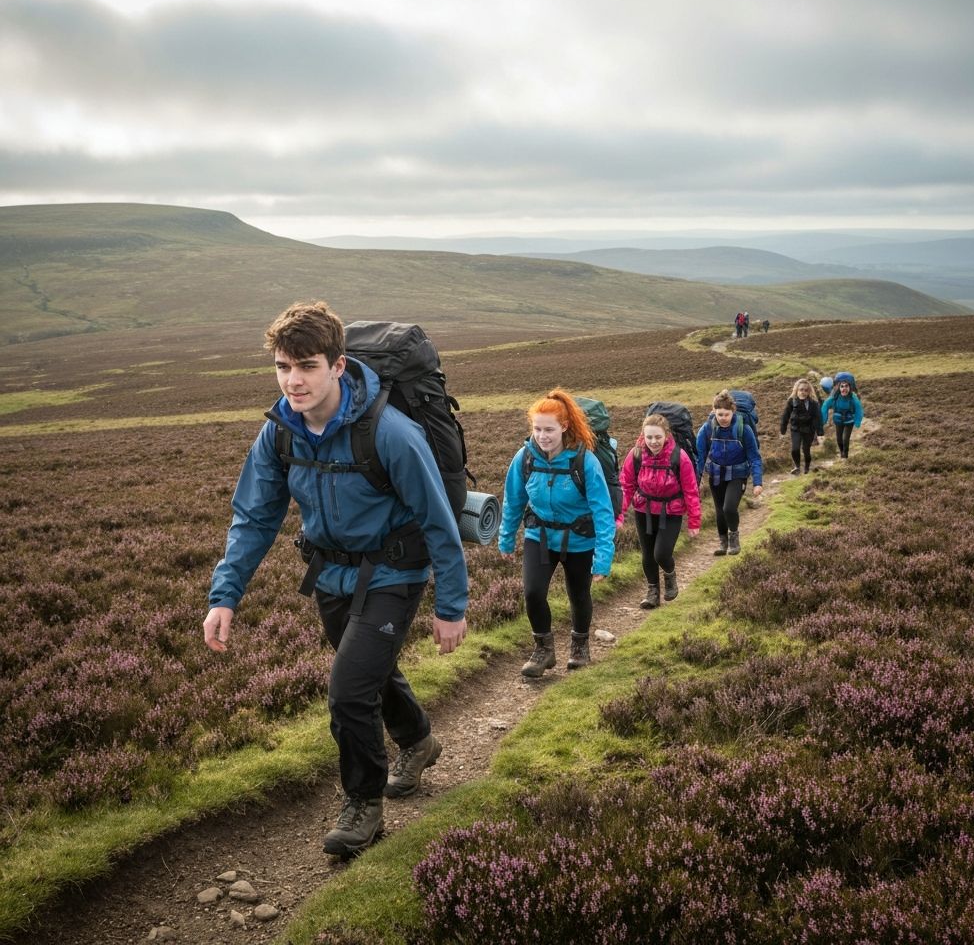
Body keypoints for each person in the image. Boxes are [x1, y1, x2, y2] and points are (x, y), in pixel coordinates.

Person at [203, 301, 469, 859]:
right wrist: (225, 595)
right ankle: (419, 741)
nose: (293, 381)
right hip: (330, 573)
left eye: (307, 366)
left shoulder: (390, 433)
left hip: (396, 571)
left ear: (338, 365)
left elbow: (438, 521)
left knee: (348, 690)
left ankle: (363, 805)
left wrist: (452, 605)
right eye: (283, 367)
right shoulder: (278, 433)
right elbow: (254, 517)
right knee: (371, 673)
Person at [498, 389, 616, 677]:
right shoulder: (524, 458)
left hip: (580, 540)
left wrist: (603, 557)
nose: (542, 436)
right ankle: (543, 650)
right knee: (533, 593)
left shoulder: (584, 461)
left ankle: (580, 647)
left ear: (564, 427)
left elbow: (602, 511)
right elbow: (513, 500)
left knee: (578, 594)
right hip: (539, 537)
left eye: (549, 429)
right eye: (537, 429)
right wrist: (506, 537)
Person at [617, 414, 700, 609]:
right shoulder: (636, 455)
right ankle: (652, 592)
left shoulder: (679, 456)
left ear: (666, 435)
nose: (653, 442)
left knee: (661, 553)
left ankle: (670, 575)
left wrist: (694, 521)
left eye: (658, 437)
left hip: (671, 511)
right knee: (647, 554)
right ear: (643, 436)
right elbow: (626, 485)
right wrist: (619, 514)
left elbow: (691, 490)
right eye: (649, 437)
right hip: (643, 510)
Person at [695, 389, 763, 556]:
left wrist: (757, 482)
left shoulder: (743, 429)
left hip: (738, 474)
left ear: (733, 412)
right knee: (720, 511)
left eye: (726, 414)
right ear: (714, 412)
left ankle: (734, 539)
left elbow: (754, 456)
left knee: (729, 508)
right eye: (719, 414)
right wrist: (695, 482)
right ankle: (723, 543)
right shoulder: (707, 429)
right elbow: (700, 457)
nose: (723, 418)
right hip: (716, 475)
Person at [780, 378, 824, 474]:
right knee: (795, 449)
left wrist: (820, 432)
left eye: (805, 390)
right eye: (801, 390)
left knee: (806, 450)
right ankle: (797, 467)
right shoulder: (792, 401)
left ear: (809, 392)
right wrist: (782, 430)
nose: (803, 392)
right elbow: (785, 416)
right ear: (797, 390)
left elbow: (818, 418)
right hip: (796, 429)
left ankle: (807, 467)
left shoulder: (814, 403)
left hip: (809, 430)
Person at [821, 377, 863, 459]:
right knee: (839, 440)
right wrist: (823, 419)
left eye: (846, 386)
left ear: (849, 388)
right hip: (838, 421)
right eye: (842, 386)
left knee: (845, 439)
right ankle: (842, 452)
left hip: (849, 421)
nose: (844, 388)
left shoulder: (853, 397)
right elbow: (825, 406)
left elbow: (859, 408)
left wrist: (857, 421)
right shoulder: (834, 397)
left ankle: (845, 456)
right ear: (839, 388)